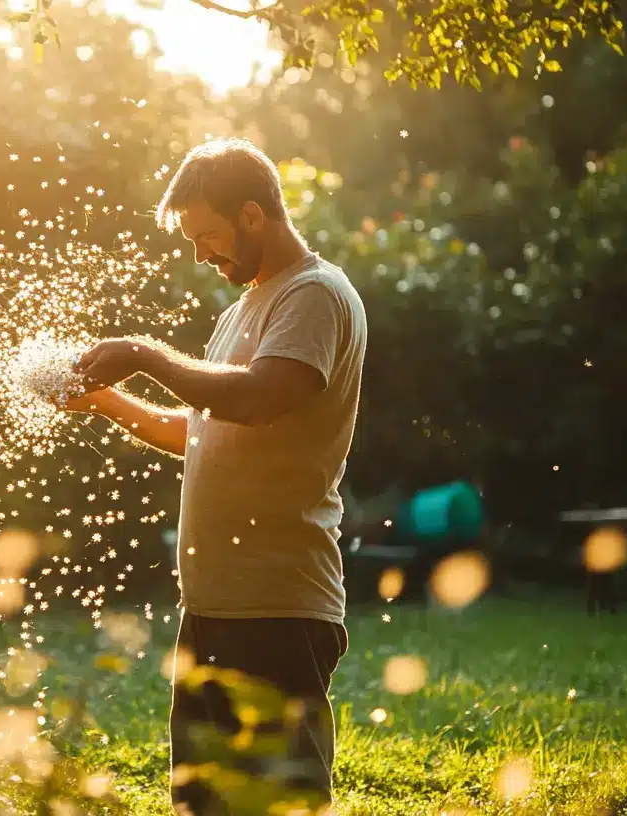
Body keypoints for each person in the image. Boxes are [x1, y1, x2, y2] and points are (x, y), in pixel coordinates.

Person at [62, 137, 368, 814]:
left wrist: (144, 354)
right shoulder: (242, 309)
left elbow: (258, 398)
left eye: (208, 235)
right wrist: (104, 401)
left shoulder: (314, 295)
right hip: (213, 606)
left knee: (277, 802)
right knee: (205, 805)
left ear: (253, 215)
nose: (202, 254)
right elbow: (200, 430)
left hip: (279, 608)